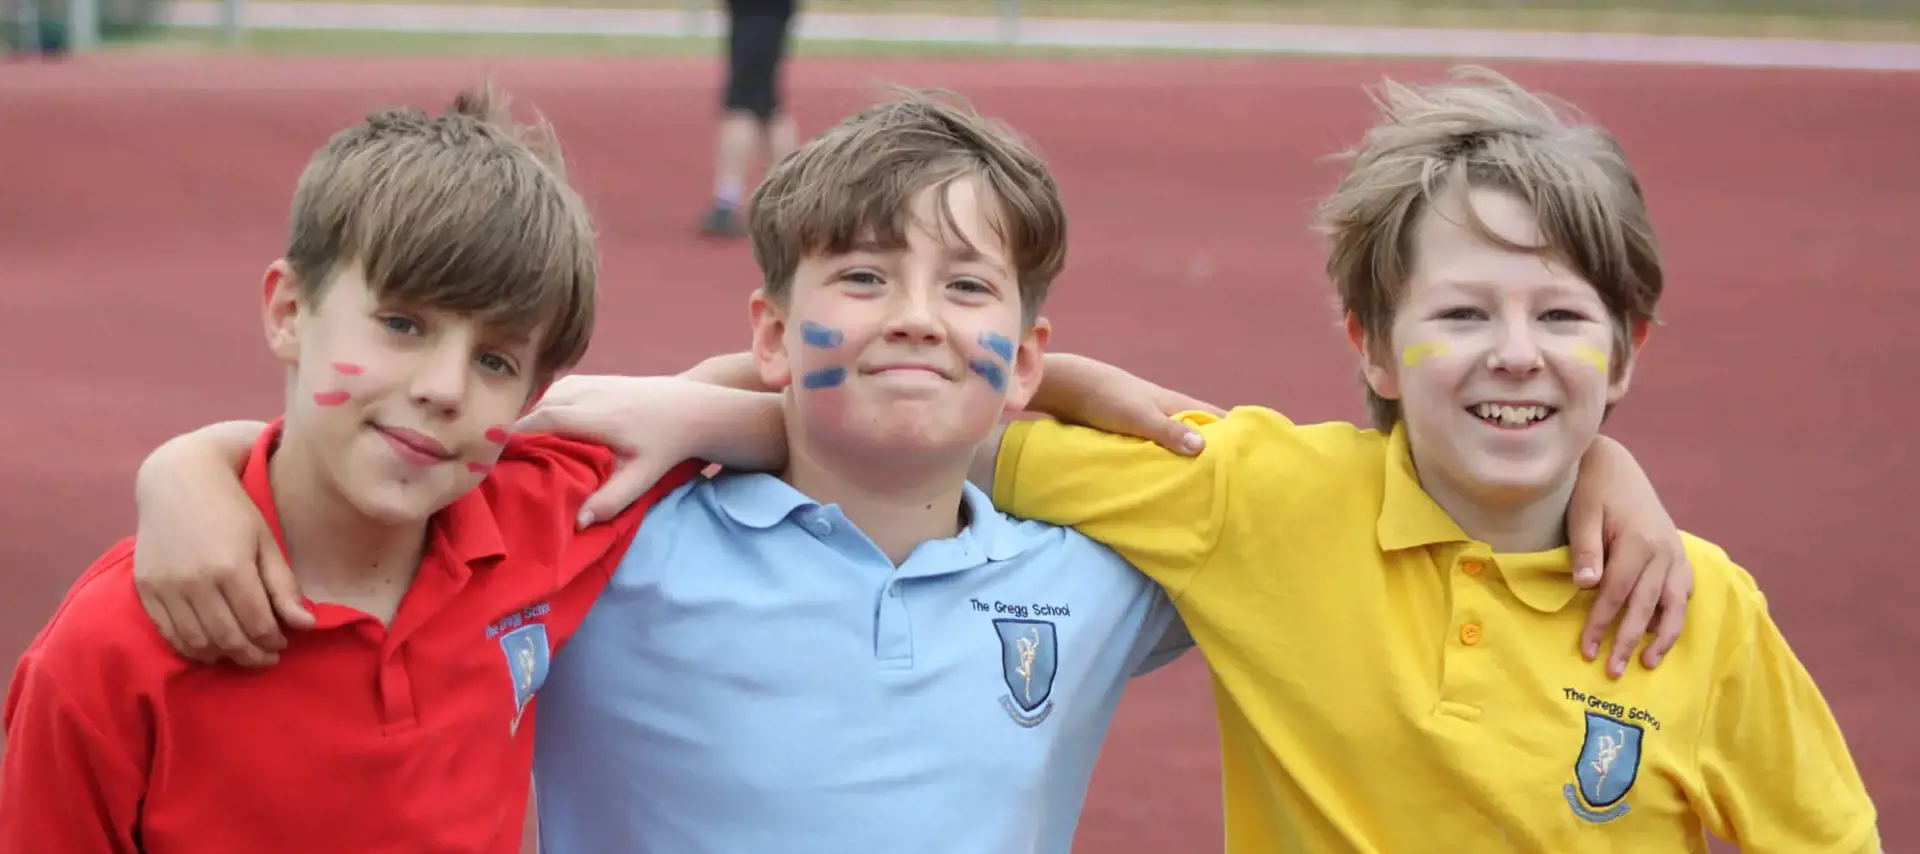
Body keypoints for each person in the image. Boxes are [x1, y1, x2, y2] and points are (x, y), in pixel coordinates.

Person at [128, 86, 1702, 851]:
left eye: (967, 295)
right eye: (860, 281)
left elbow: (1391, 495)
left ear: (1023, 352)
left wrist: (1599, 478)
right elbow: (389, 441)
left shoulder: (1111, 565)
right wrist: (188, 464)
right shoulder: (622, 512)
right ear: (767, 326)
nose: (910, 321)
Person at [0, 82, 696, 853]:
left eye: (495, 360)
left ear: (536, 394)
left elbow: (804, 400)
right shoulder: (111, 649)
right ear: (289, 311)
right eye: (402, 324)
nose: (443, 388)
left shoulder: (543, 513)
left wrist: (709, 416)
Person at [700, 0, 801, 239]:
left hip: (755, 10)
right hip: (763, 11)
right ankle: (787, 196)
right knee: (767, 105)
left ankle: (728, 199)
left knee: (742, 105)